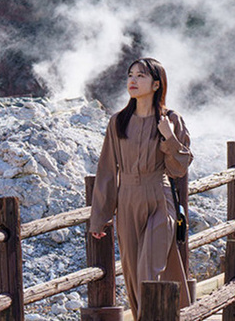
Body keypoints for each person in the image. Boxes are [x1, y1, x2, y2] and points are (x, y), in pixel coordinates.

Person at [89, 57, 193, 314]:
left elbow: (179, 168)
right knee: (134, 274)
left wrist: (168, 136)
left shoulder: (170, 120)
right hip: (127, 201)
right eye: (130, 75)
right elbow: (106, 171)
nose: (133, 80)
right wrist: (99, 217)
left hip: (159, 196)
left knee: (149, 269)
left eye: (141, 76)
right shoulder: (118, 121)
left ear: (156, 84)